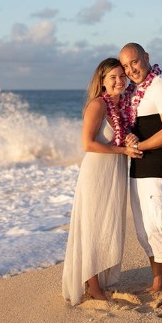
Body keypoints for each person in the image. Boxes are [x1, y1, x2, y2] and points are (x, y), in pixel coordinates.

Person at [62, 58, 143, 305]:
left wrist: (128, 140)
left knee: (109, 222)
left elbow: (119, 137)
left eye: (122, 76)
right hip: (97, 173)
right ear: (102, 81)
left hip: (116, 171)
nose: (119, 81)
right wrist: (122, 151)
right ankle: (92, 285)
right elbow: (87, 144)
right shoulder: (98, 105)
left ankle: (99, 276)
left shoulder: (123, 106)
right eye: (113, 77)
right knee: (94, 225)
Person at [119, 42, 162, 308]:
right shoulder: (134, 91)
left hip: (159, 167)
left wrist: (139, 146)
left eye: (134, 62)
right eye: (125, 66)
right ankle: (157, 281)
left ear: (146, 57)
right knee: (143, 231)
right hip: (139, 168)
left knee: (158, 226)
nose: (130, 69)